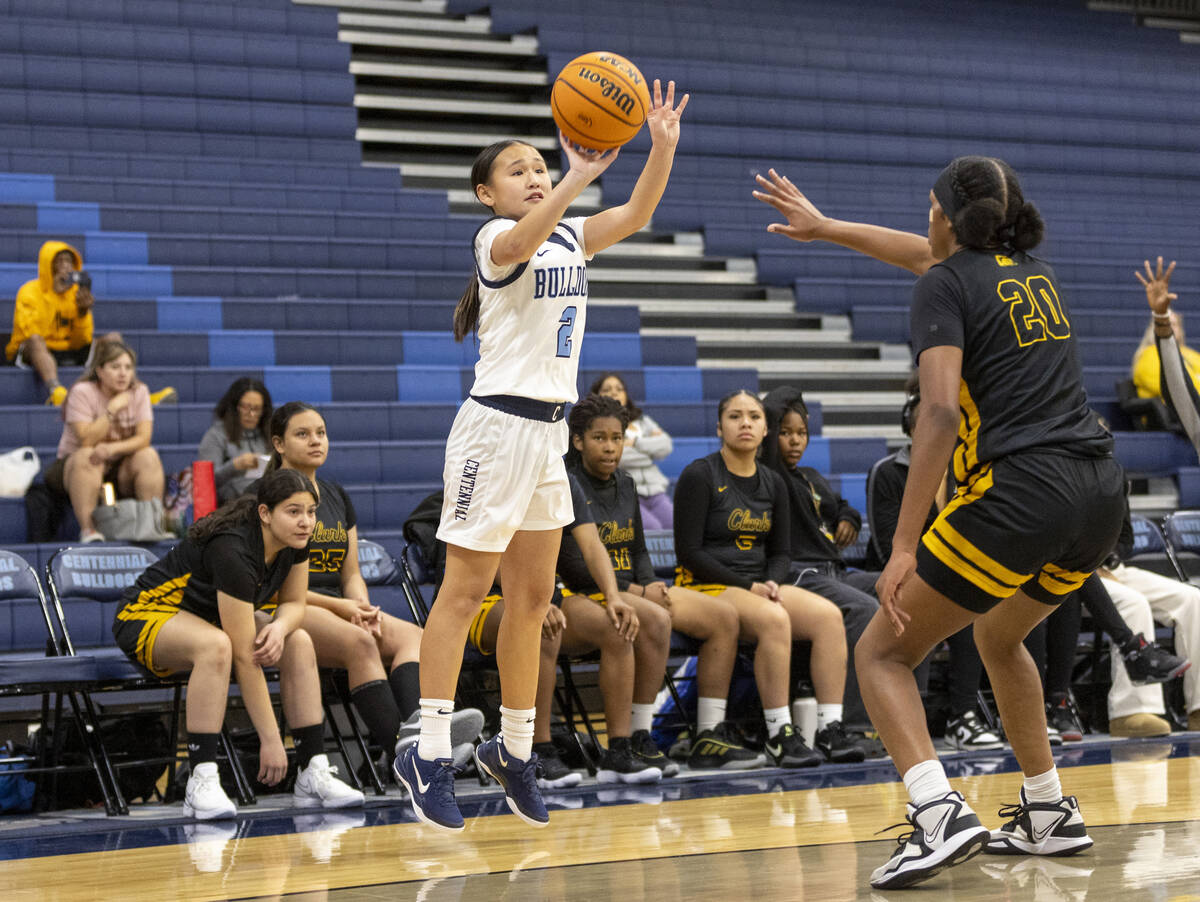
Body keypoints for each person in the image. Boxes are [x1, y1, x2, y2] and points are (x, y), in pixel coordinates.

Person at [755, 157, 1125, 888]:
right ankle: (1048, 810)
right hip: (1100, 490)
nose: (923, 220)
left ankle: (937, 812)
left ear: (948, 218)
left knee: (882, 653)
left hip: (1022, 489)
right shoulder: (1029, 271)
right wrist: (826, 228)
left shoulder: (944, 283)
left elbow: (942, 409)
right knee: (998, 632)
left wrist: (901, 544)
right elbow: (924, 255)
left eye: (929, 206)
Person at [394, 80, 689, 833]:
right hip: (494, 431)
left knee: (532, 601)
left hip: (547, 437)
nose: (532, 176)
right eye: (517, 170)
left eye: (537, 165)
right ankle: (425, 754)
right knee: (464, 595)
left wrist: (660, 149)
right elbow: (525, 240)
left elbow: (641, 213)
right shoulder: (494, 241)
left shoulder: (572, 233)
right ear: (486, 193)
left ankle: (514, 748)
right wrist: (576, 178)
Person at [111, 468, 364, 819]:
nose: (306, 521)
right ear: (265, 513)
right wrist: (272, 739)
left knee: (299, 640)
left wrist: (279, 628)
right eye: (294, 512)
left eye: (310, 512)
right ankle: (202, 779)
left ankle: (312, 771)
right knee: (217, 647)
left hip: (206, 618)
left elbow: (294, 603)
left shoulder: (296, 540)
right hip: (146, 613)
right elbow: (246, 658)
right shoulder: (233, 548)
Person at [268, 402, 483, 775]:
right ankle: (409, 762)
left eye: (321, 432)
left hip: (339, 607)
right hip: (287, 606)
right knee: (361, 643)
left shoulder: (335, 495)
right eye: (302, 434)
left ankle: (419, 734)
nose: (315, 441)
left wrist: (361, 606)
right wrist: (346, 612)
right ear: (279, 444)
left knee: (415, 637)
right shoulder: (266, 497)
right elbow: (272, 586)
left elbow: (350, 572)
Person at [562, 394, 764, 771]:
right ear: (578, 440)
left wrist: (648, 582)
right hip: (585, 593)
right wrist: (640, 592)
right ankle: (638, 735)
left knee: (723, 618)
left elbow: (638, 548)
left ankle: (708, 735)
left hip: (633, 587)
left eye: (617, 438)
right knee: (654, 617)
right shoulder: (566, 483)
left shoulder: (625, 482)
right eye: (600, 438)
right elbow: (574, 563)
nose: (610, 448)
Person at [673, 390, 863, 767]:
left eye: (754, 417)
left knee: (828, 617)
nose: (745, 423)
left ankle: (830, 728)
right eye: (735, 416)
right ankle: (779, 733)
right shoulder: (700, 474)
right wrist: (752, 588)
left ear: (765, 430)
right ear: (719, 427)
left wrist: (773, 582)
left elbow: (780, 552)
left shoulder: (773, 482)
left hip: (758, 587)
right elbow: (690, 554)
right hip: (705, 586)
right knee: (775, 618)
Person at [761, 385, 883, 753]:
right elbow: (769, 419)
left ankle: (913, 706)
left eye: (801, 433)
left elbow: (842, 505)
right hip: (801, 574)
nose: (794, 442)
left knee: (904, 590)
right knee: (864, 609)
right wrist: (792, 395)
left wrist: (848, 517)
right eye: (785, 433)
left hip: (836, 572)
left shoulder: (811, 476)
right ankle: (855, 725)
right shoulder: (770, 473)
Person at [45, 339, 165, 543]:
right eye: (115, 367)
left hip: (118, 467)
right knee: (87, 456)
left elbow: (144, 439)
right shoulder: (82, 391)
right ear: (100, 371)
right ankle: (89, 531)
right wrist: (112, 409)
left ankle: (151, 524)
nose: (123, 373)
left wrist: (111, 449)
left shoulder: (140, 391)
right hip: (74, 468)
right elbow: (87, 439)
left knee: (148, 456)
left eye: (128, 367)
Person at [5, 241, 119, 406]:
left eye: (69, 261)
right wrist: (53, 294)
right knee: (35, 341)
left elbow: (82, 340)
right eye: (59, 261)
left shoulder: (76, 293)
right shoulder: (29, 291)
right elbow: (31, 333)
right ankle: (56, 392)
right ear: (47, 265)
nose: (65, 266)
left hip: (69, 348)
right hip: (40, 350)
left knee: (113, 338)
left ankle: (128, 392)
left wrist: (82, 313)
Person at [590, 372, 675, 529]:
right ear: (597, 395)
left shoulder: (642, 420)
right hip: (626, 494)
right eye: (607, 389)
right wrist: (650, 453)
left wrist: (634, 442)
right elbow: (616, 457)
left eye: (619, 389)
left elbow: (666, 445)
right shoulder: (596, 425)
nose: (614, 392)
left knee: (677, 526)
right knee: (653, 528)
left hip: (656, 491)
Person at [1137, 258, 1200, 457]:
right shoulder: (1148, 356)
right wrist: (1162, 320)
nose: (1175, 328)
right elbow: (1179, 387)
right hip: (1169, 417)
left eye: (1176, 324)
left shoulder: (1192, 355)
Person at [197, 378, 273, 505]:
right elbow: (204, 483)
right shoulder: (216, 435)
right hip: (232, 506)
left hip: (267, 499)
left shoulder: (269, 434)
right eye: (246, 407)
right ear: (234, 407)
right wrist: (234, 466)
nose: (252, 414)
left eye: (257, 409)